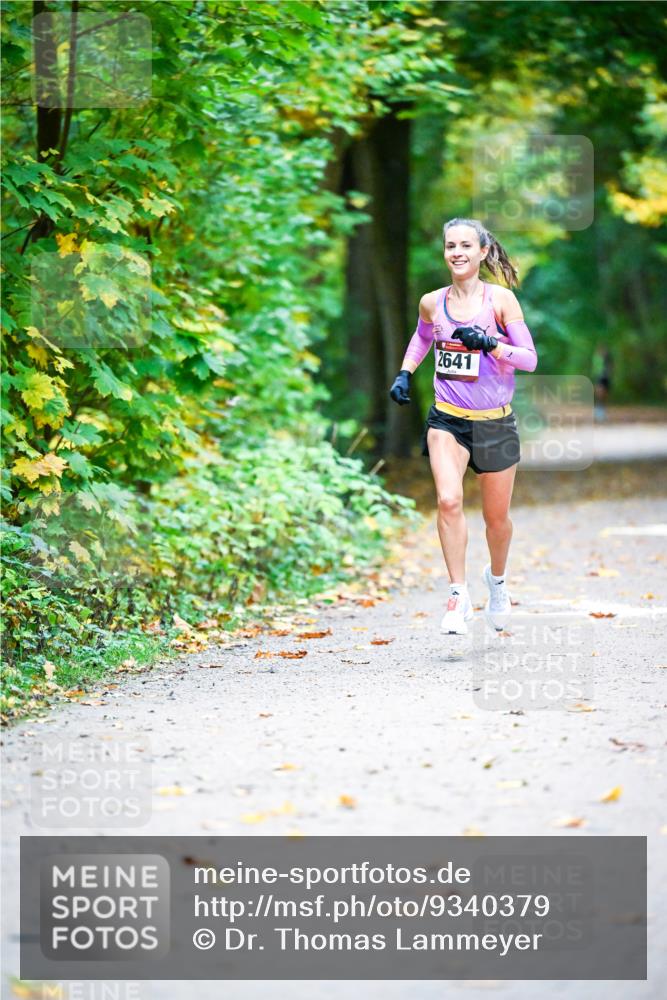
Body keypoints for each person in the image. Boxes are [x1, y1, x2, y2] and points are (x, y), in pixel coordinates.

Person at [389, 218, 538, 635]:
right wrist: (405, 372)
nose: (457, 252)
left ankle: (498, 582)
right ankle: (458, 594)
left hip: (495, 423)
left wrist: (491, 343)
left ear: (483, 252)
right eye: (450, 245)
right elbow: (421, 339)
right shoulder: (432, 302)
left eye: (466, 245)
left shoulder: (501, 301)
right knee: (449, 501)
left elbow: (529, 359)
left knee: (497, 520)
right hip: (447, 419)